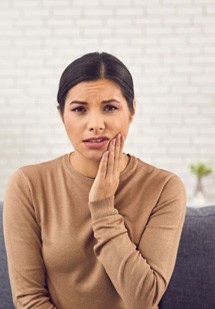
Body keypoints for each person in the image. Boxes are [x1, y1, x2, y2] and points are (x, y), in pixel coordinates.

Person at [3, 52, 186, 309]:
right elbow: (28, 300)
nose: (95, 124)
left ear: (132, 110)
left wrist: (102, 206)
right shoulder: (28, 184)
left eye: (110, 108)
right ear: (61, 115)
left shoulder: (164, 187)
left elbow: (144, 299)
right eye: (79, 109)